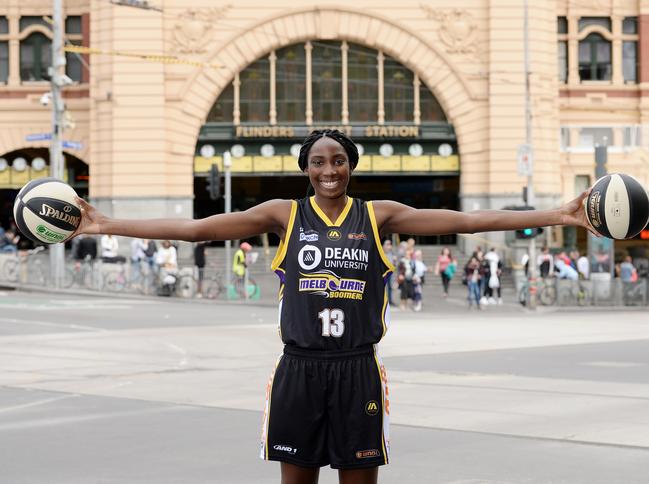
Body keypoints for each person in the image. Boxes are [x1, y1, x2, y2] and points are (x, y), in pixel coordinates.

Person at [71, 129, 593, 484]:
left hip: (356, 370)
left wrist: (558, 215)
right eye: (318, 162)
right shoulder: (283, 214)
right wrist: (105, 224)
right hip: (299, 369)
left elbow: (464, 220)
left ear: (350, 167)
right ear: (306, 169)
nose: (328, 169)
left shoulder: (378, 215)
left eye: (338, 160)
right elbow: (194, 229)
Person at [382, 239, 397, 305]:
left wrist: (395, 262)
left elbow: (395, 264)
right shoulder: (382, 253)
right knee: (382, 287)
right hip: (383, 273)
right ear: (384, 246)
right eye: (387, 244)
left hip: (390, 274)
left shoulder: (392, 254)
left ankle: (390, 301)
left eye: (390, 244)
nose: (389, 246)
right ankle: (382, 301)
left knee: (390, 287)